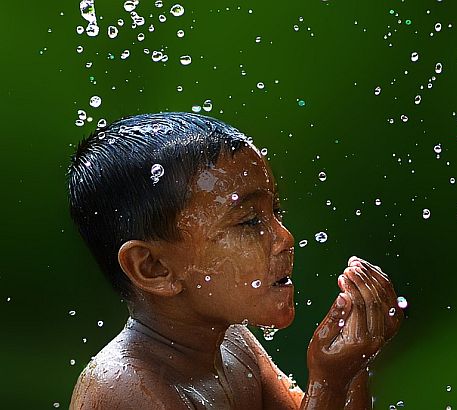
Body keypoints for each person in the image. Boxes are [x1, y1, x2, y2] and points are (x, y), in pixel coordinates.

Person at [67, 112, 403, 409]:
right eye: (248, 221)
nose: (285, 237)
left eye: (276, 211)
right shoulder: (126, 388)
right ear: (153, 267)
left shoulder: (232, 344)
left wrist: (353, 366)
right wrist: (329, 382)